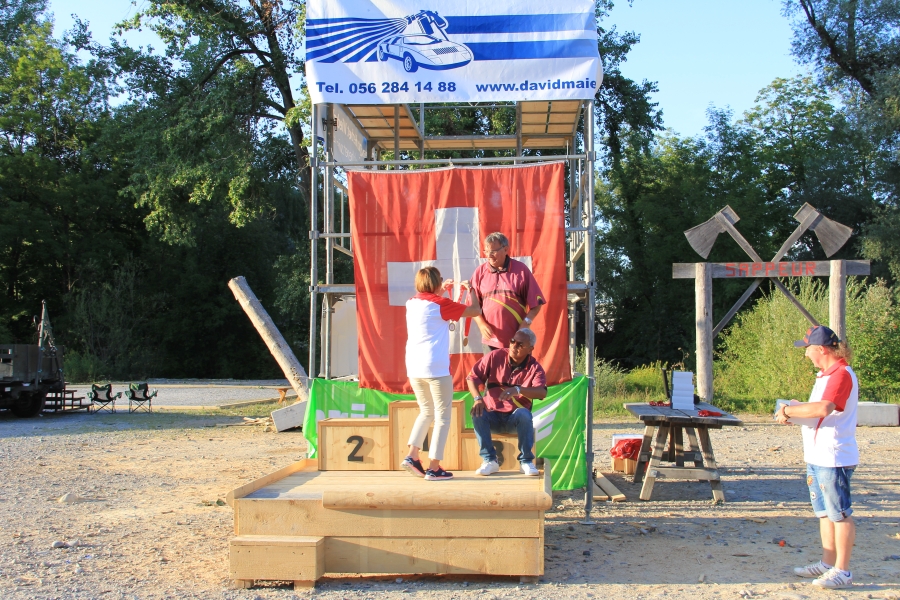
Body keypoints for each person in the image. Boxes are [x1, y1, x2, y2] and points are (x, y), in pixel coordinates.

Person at [775, 325, 859, 589]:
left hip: (833, 456)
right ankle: (827, 564)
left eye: (808, 349)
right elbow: (821, 413)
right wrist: (796, 412)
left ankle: (842, 571)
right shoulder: (826, 375)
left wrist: (789, 410)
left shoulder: (841, 374)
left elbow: (824, 407)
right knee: (824, 513)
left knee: (839, 514)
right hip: (818, 455)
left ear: (821, 349)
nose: (806, 354)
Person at [403, 266, 481, 481]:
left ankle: (412, 455)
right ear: (436, 283)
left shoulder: (412, 303)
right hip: (435, 366)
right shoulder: (440, 304)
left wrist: (440, 292)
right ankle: (434, 467)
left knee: (426, 412)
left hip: (414, 366)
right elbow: (474, 310)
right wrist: (471, 290)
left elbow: (434, 309)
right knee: (442, 417)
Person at [466, 328, 547, 476]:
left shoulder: (535, 367)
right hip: (492, 415)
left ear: (530, 349)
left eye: (520, 344)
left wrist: (518, 390)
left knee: (524, 414)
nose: (514, 346)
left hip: (514, 420)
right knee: (477, 412)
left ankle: (526, 461)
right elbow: (471, 377)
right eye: (512, 341)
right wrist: (478, 399)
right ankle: (489, 460)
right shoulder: (494, 356)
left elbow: (542, 392)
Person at [469, 232, 545, 351]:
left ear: (505, 249)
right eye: (486, 251)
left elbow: (537, 303)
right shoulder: (479, 272)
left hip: (518, 340)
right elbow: (472, 306)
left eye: (493, 251)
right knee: (492, 370)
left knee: (518, 370)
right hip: (490, 341)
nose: (489, 255)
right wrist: (481, 324)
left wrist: (526, 323)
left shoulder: (521, 271)